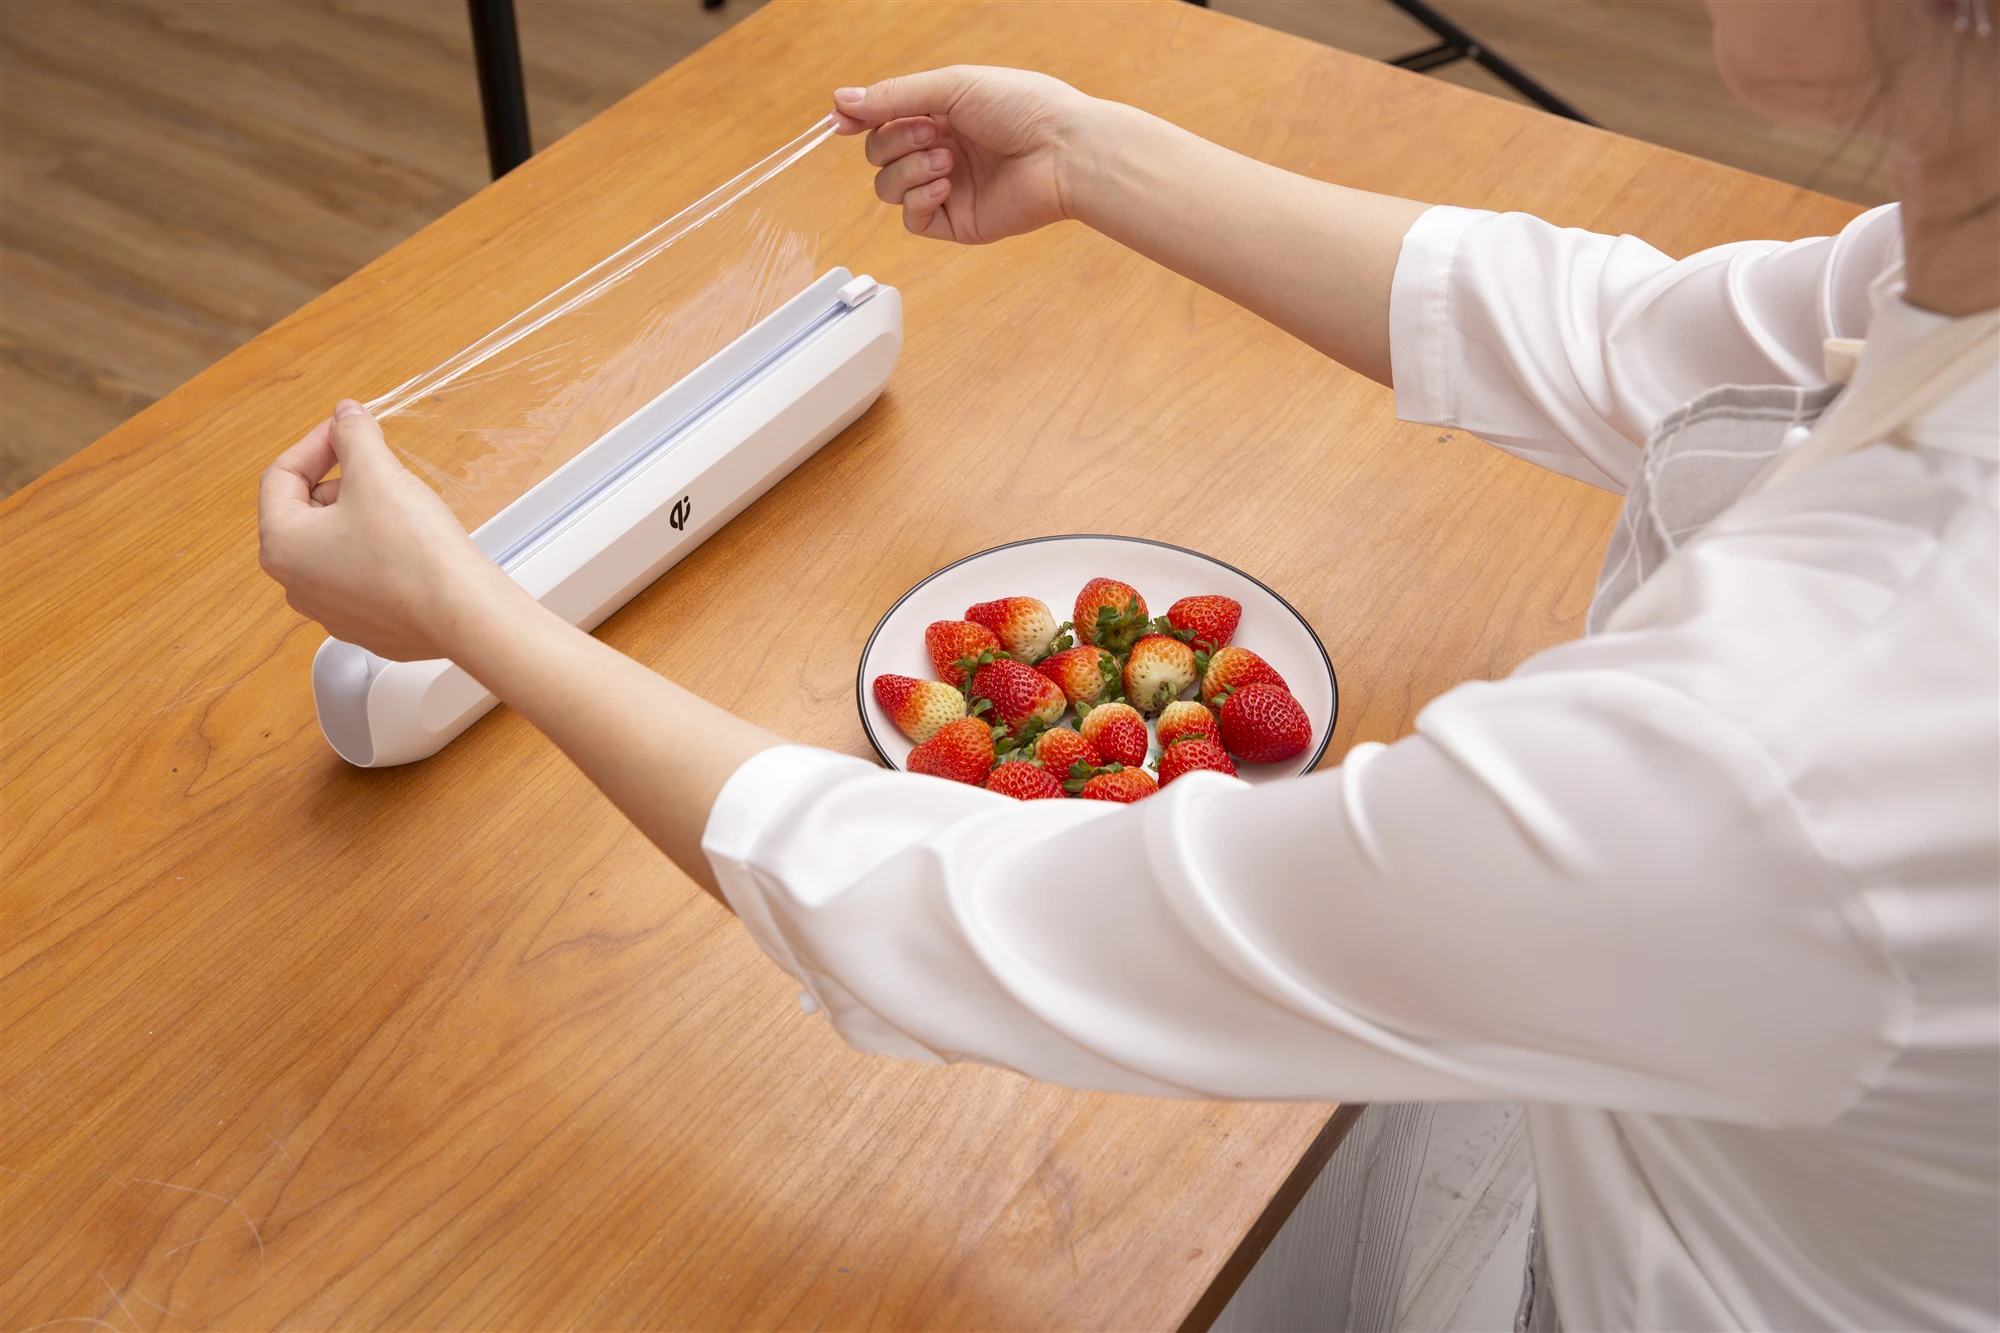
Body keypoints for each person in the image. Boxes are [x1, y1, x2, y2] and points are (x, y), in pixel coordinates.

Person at [256, 0, 1997, 1327]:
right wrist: (1096, 158)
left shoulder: (1795, 741)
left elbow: (1009, 924)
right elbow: (1644, 341)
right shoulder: (1959, 239)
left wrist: (483, 617)